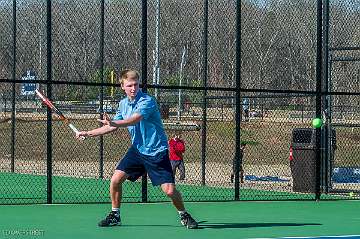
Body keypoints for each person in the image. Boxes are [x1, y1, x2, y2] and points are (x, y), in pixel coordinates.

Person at [76, 69, 198, 229]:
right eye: (129, 85)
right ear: (122, 86)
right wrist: (88, 133)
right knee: (115, 180)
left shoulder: (147, 101)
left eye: (136, 84)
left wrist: (113, 123)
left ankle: (184, 214)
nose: (133, 88)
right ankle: (115, 215)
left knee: (169, 191)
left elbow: (134, 120)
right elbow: (112, 127)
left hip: (157, 151)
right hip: (138, 150)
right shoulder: (123, 104)